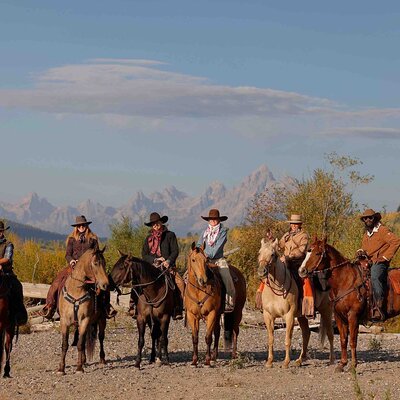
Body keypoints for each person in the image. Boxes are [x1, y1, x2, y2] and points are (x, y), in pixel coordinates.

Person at [41, 215, 117, 319]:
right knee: (57, 281)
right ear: (76, 227)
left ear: (86, 225)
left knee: (103, 282)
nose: (81, 227)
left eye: (83, 225)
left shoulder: (93, 239)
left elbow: (97, 255)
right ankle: (50, 306)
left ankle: (106, 307)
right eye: (79, 225)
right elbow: (68, 254)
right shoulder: (72, 239)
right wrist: (71, 260)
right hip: (74, 267)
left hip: (90, 268)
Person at [129, 212, 184, 320]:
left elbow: (175, 251)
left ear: (161, 222)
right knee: (137, 281)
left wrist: (168, 261)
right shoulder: (148, 238)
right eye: (153, 224)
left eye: (157, 223)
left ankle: (177, 308)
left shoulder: (170, 235)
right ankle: (133, 307)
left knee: (180, 283)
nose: (155, 225)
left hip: (167, 266)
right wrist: (155, 259)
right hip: (151, 267)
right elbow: (144, 254)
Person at [256, 214, 309, 312]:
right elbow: (279, 246)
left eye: (296, 224)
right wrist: (271, 239)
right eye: (292, 223)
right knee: (269, 275)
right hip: (284, 261)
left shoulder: (304, 236)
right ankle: (263, 301)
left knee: (298, 279)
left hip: (297, 262)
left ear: (300, 225)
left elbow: (301, 250)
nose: (293, 225)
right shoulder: (287, 235)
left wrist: (288, 256)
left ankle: (300, 301)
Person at [358, 208, 400, 321]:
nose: (367, 220)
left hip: (380, 263)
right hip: (368, 262)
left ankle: (378, 305)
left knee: (375, 275)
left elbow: (396, 241)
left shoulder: (382, 230)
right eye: (365, 218)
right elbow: (365, 248)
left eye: (370, 217)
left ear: (374, 218)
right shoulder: (366, 233)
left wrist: (385, 257)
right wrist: (361, 251)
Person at [197, 209, 235, 312]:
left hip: (218, 259)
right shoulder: (204, 233)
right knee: (189, 276)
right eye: (211, 219)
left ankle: (229, 301)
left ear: (219, 220)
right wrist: (198, 254)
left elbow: (216, 249)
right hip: (204, 260)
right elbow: (199, 245)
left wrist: (204, 254)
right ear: (208, 220)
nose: (213, 221)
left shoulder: (223, 231)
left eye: (215, 219)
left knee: (227, 277)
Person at [0, 221, 28, 326]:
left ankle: (19, 315)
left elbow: (7, 258)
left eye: (0, 231)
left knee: (17, 286)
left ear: (3, 232)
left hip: (6, 274)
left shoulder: (8, 244)